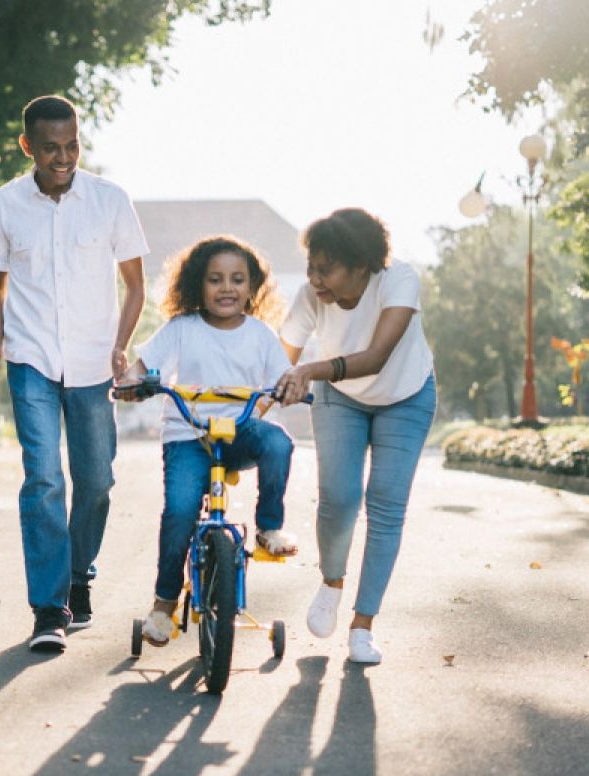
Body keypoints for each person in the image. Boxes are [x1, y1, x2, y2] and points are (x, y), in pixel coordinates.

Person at [0, 95, 148, 653]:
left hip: (95, 362)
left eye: (72, 145)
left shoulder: (109, 200)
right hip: (30, 361)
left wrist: (121, 346)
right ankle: (49, 609)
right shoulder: (5, 204)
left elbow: (135, 285)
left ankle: (78, 577)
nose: (64, 156)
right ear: (28, 146)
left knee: (96, 482)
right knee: (44, 479)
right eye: (50, 147)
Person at [275, 208, 437, 665]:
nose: (314, 278)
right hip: (340, 398)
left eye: (325, 269)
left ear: (361, 265)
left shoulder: (397, 281)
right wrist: (257, 402)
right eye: (311, 266)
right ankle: (331, 582)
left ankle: (363, 626)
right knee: (339, 498)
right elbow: (278, 359)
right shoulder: (312, 296)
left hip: (405, 395)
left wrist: (309, 369)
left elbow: (377, 356)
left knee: (386, 504)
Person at [117, 235, 297, 647]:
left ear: (252, 288)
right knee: (180, 511)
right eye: (215, 279)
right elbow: (142, 366)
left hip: (238, 432)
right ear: (199, 284)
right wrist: (132, 382)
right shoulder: (182, 329)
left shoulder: (261, 335)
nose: (227, 288)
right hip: (188, 435)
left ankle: (269, 528)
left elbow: (281, 379)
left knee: (279, 444)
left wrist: (288, 389)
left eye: (237, 279)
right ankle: (163, 604)